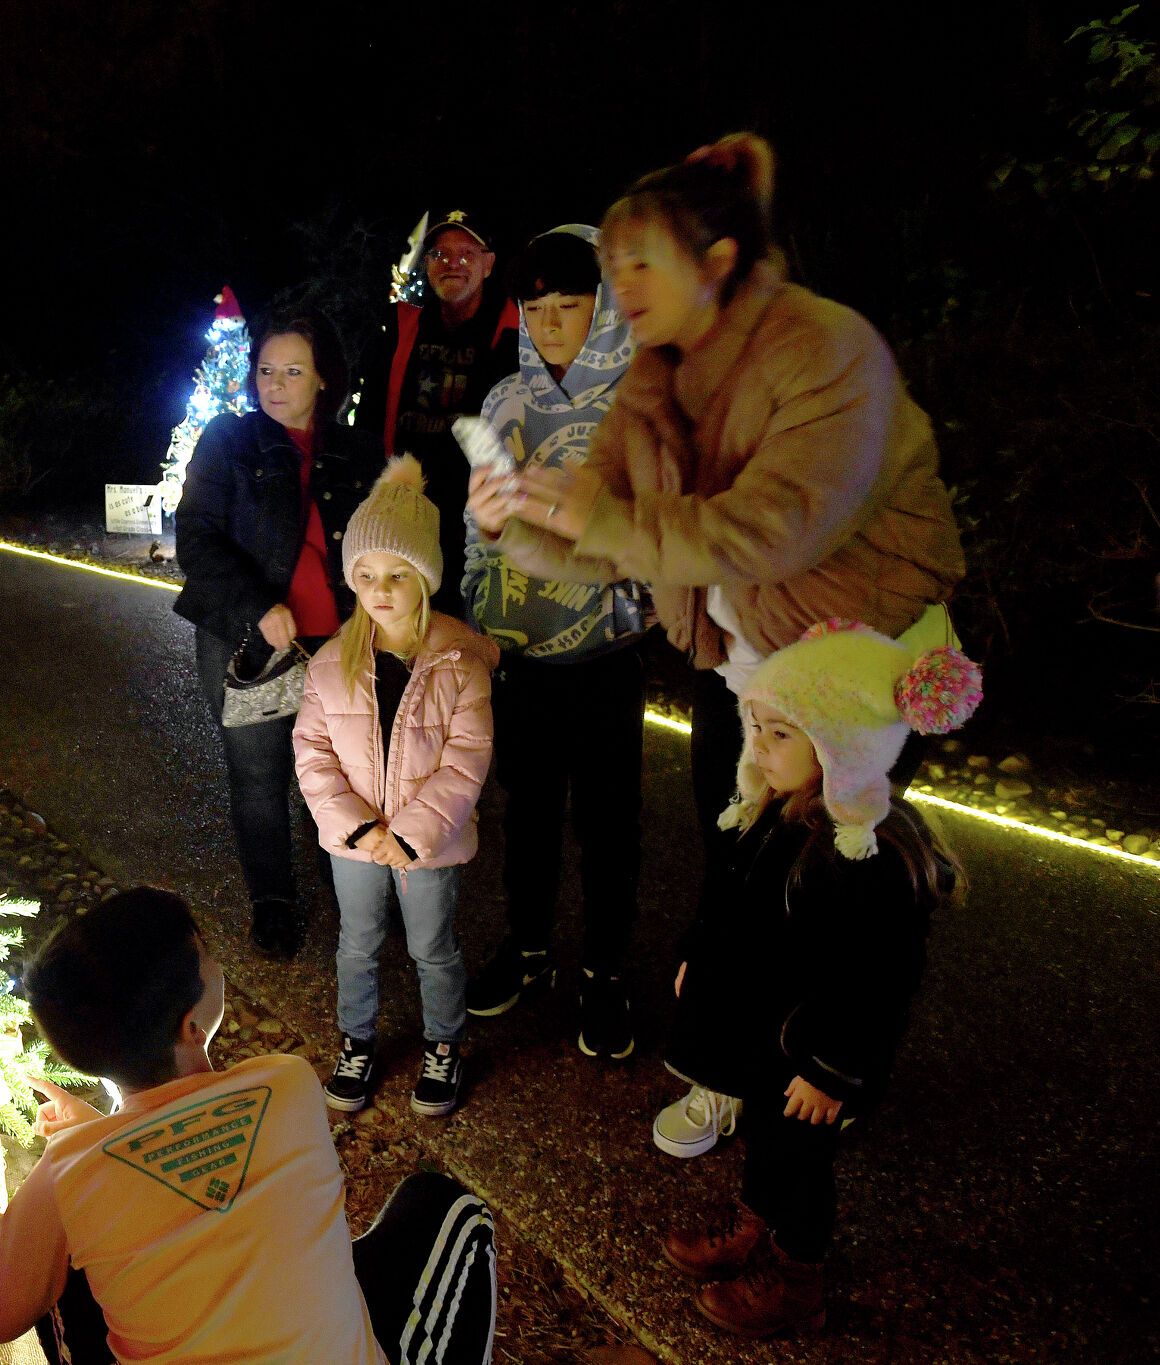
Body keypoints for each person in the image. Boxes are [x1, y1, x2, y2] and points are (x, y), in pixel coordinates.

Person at [467, 133, 966, 838]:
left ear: (717, 262)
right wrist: (517, 524)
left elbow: (775, 527)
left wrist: (604, 520)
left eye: (644, 262)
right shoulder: (653, 377)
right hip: (737, 666)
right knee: (733, 852)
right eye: (617, 265)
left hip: (853, 663)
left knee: (830, 876)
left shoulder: (825, 347)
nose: (624, 284)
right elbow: (610, 538)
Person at [0, 887, 498, 1364]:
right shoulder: (288, 1085)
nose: (219, 965)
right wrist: (96, 1137)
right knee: (452, 1209)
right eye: (207, 957)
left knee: (66, 1276)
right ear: (190, 1025)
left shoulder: (66, 1176)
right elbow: (196, 1170)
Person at [657, 620, 976, 1338]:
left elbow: (880, 978)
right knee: (767, 1146)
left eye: (780, 734)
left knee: (799, 1162)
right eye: (757, 728)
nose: (758, 749)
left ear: (843, 747)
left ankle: (797, 1276)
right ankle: (754, 1226)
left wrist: (832, 1070)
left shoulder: (865, 856)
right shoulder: (774, 813)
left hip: (811, 1054)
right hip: (768, 1038)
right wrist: (695, 953)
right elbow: (727, 897)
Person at [459, 226, 649, 1061]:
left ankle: (605, 970)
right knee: (525, 810)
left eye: (569, 305)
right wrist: (479, 576)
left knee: (611, 821)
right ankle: (527, 947)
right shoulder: (505, 401)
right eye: (534, 306)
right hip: (522, 654)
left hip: (609, 654)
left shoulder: (644, 401)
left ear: (604, 305)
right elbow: (474, 527)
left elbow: (671, 528)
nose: (549, 323)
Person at [292, 457, 497, 1117]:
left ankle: (444, 1044)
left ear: (426, 579)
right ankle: (358, 1038)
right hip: (354, 844)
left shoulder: (459, 667)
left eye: (398, 575)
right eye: (367, 575)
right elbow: (312, 750)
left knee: (432, 947)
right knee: (356, 942)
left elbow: (465, 760)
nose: (380, 589)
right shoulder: (331, 663)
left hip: (426, 845)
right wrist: (359, 825)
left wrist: (408, 834)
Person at [175, 311, 380, 959]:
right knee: (261, 777)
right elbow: (196, 539)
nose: (276, 383)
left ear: (325, 379)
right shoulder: (228, 442)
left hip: (339, 646)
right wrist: (257, 604)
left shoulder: (357, 449)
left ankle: (346, 878)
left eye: (294, 370)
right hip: (254, 648)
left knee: (346, 774)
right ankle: (274, 900)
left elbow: (383, 538)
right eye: (266, 369)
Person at [356, 210, 521, 616]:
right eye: (440, 253)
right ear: (427, 264)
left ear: (488, 263)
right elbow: (370, 420)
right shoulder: (401, 329)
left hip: (477, 522)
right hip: (405, 515)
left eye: (466, 253)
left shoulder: (516, 333)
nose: (452, 264)